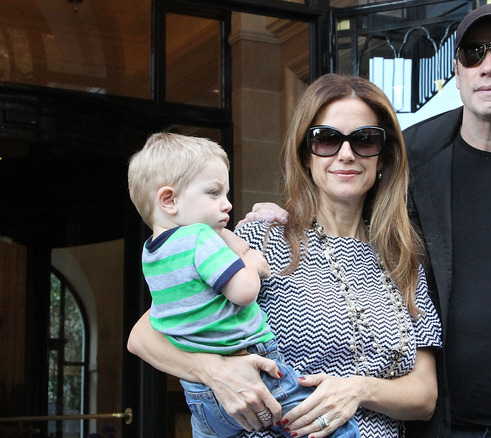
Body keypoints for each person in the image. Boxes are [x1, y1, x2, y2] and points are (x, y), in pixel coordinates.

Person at [242, 4, 491, 437]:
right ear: (457, 71)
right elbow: (337, 193)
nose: (488, 66)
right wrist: (272, 222)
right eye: (473, 54)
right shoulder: (410, 169)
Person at [127, 74, 442, 438]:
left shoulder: (402, 257)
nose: (346, 153)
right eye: (326, 139)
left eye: (364, 140)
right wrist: (214, 371)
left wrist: (356, 390)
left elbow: (425, 394)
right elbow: (144, 336)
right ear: (305, 155)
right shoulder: (259, 238)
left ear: (383, 156)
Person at [127, 132, 360, 438]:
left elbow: (165, 315)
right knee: (336, 427)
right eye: (213, 193)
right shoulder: (200, 238)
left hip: (199, 396)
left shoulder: (151, 252)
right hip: (252, 367)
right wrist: (249, 260)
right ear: (169, 200)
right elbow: (244, 291)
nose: (227, 204)